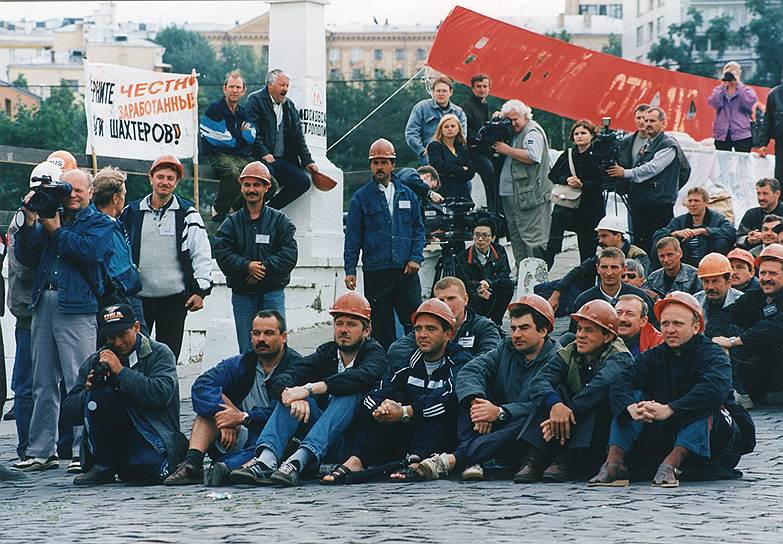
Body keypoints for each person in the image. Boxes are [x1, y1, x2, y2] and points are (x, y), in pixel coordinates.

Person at [588, 292, 754, 488]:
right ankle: (614, 463)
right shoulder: (655, 355)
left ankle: (671, 465)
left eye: (678, 324)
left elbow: (714, 389)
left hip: (717, 437)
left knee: (707, 403)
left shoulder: (713, 354)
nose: (670, 330)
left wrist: (670, 409)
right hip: (669, 432)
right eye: (665, 324)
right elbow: (623, 381)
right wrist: (630, 407)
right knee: (633, 398)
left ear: (696, 327)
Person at [229, 292, 388, 487]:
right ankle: (266, 460)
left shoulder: (376, 353)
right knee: (291, 397)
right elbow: (285, 376)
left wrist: (309, 389)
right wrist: (292, 395)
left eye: (351, 324)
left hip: (354, 445)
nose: (343, 330)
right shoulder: (327, 351)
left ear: (366, 330)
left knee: (347, 393)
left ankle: (297, 461)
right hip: (321, 437)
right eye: (339, 323)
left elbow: (358, 378)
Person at [13, 168, 114, 474]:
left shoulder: (99, 222)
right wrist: (31, 222)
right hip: (44, 300)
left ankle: (84, 451)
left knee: (79, 380)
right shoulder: (48, 215)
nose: (72, 195)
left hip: (79, 306)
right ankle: (41, 450)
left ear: (90, 192)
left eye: (78, 190)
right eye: (67, 190)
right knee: (42, 381)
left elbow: (89, 252)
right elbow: (26, 257)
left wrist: (56, 231)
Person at [402, 295, 558, 482]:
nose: (516, 334)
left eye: (524, 328)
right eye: (513, 328)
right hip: (490, 424)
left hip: (523, 433)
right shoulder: (506, 347)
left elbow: (539, 404)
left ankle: (456, 459)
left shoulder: (556, 358)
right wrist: (478, 402)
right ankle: (472, 460)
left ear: (543, 331)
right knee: (467, 395)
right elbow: (471, 371)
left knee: (533, 417)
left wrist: (500, 412)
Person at [320, 299, 470, 484]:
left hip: (440, 438)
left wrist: (407, 412)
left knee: (437, 412)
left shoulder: (460, 361)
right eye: (418, 329)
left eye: (431, 329)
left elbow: (450, 398)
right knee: (389, 400)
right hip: (404, 436)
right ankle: (356, 460)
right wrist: (382, 409)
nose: (422, 335)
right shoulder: (407, 361)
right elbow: (378, 391)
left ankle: (416, 462)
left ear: (448, 334)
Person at [163, 311, 302, 486]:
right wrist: (227, 417)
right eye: (257, 333)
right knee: (208, 408)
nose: (261, 339)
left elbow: (281, 412)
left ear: (283, 337)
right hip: (239, 433)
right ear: (251, 336)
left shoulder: (297, 366)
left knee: (279, 444)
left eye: (269, 333)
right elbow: (201, 385)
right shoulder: (242, 363)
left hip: (275, 436)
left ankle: (226, 469)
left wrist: (242, 418)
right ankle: (191, 464)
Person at [61, 304, 188, 485]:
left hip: (151, 432)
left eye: (123, 335)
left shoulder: (159, 353)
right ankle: (103, 465)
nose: (118, 342)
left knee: (145, 473)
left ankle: (127, 464)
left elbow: (161, 394)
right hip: (112, 436)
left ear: (136, 327)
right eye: (111, 337)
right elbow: (69, 412)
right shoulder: (98, 360)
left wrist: (121, 372)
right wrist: (88, 393)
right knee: (99, 394)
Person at [519, 300, 633, 483]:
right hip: (573, 416)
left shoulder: (620, 357)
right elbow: (540, 380)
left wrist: (565, 413)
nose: (580, 335)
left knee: (597, 399)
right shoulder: (571, 350)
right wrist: (556, 405)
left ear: (608, 337)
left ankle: (570, 459)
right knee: (553, 392)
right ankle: (536, 457)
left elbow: (599, 387)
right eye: (579, 329)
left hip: (598, 431)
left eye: (589, 331)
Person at [121, 154, 213, 362]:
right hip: (138, 298)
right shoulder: (132, 212)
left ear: (176, 182)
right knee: (136, 356)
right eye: (160, 176)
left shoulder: (187, 213)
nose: (165, 182)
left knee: (169, 358)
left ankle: (169, 395)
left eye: (170, 178)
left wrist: (200, 291)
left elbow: (201, 253)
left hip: (174, 299)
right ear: (150, 178)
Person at [344, 139, 425, 350]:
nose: (379, 167)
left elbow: (419, 230)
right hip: (376, 272)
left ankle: (416, 367)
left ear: (393, 164)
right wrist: (350, 269)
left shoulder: (409, 195)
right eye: (375, 162)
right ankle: (384, 374)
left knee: (415, 324)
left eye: (384, 162)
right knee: (381, 328)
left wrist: (416, 258)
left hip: (406, 272)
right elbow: (353, 237)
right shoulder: (360, 198)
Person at [214, 161, 297, 353]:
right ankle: (250, 384)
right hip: (243, 295)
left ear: (267, 187)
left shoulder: (280, 221)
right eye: (247, 184)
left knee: (277, 348)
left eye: (257, 184)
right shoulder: (231, 223)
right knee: (247, 349)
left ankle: (278, 384)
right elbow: (222, 252)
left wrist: (261, 268)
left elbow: (290, 254)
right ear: (241, 186)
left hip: (272, 293)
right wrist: (245, 266)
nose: (252, 189)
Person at [608, 107, 684, 254]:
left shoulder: (668, 145)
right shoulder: (647, 144)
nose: (647, 123)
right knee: (640, 244)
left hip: (658, 206)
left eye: (652, 121)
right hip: (641, 205)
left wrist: (625, 173)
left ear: (663, 123)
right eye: (645, 120)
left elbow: (652, 168)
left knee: (660, 246)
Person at [543, 215, 650, 316]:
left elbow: (642, 282)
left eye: (604, 236)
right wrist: (556, 293)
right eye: (599, 237)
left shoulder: (638, 255)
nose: (600, 241)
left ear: (618, 236)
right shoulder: (602, 256)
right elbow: (578, 271)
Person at [716, 244, 783, 404]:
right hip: (765, 366)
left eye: (773, 273)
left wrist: (733, 341)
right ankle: (739, 391)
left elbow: (775, 326)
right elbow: (724, 314)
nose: (766, 278)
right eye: (763, 273)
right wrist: (716, 337)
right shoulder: (755, 296)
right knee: (729, 327)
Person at [246, 69, 318, 210]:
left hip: (281, 159)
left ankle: (269, 210)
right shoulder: (255, 100)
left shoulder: (289, 105)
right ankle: (247, 213)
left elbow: (298, 137)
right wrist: (263, 153)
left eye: (287, 86)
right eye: (282, 85)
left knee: (303, 182)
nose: (285, 89)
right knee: (265, 181)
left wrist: (307, 161)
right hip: (259, 159)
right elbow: (252, 131)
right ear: (270, 85)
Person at [388, 277, 501, 363]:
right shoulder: (428, 326)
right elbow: (397, 350)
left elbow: (491, 356)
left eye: (451, 298)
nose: (446, 304)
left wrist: (452, 365)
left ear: (465, 299)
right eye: (441, 300)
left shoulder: (484, 326)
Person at [494, 99, 552, 264]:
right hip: (512, 193)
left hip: (529, 196)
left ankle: (536, 279)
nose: (513, 123)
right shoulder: (512, 131)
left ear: (526, 116)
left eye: (516, 119)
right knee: (516, 238)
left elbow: (533, 156)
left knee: (533, 239)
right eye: (509, 120)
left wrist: (508, 150)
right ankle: (522, 278)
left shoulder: (532, 132)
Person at [91, 167, 147, 334]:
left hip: (121, 294)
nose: (125, 200)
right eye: (124, 195)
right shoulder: (103, 226)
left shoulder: (112, 221)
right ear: (115, 198)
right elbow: (114, 268)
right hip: (121, 296)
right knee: (140, 345)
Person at [545, 119, 604, 267]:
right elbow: (553, 175)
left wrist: (583, 184)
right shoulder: (569, 154)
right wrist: (567, 179)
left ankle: (586, 281)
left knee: (587, 251)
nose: (579, 136)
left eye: (583, 133)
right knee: (557, 219)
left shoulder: (597, 155)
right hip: (570, 206)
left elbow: (602, 181)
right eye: (576, 133)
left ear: (591, 135)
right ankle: (550, 256)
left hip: (590, 208)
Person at [200, 70, 257, 222]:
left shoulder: (243, 112)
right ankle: (219, 210)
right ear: (224, 89)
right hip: (216, 154)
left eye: (238, 87)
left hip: (240, 156)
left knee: (269, 182)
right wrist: (239, 135)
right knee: (232, 174)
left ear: (244, 91)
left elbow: (252, 136)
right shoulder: (214, 109)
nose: (234, 90)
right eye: (231, 86)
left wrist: (232, 136)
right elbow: (218, 138)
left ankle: (234, 208)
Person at [569, 248, 655, 333]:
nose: (609, 273)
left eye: (614, 267)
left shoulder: (640, 297)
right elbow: (574, 333)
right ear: (597, 268)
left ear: (624, 269)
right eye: (604, 267)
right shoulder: (584, 300)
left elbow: (654, 329)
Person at [652, 186, 736, 267]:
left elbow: (732, 232)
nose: (692, 204)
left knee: (722, 242)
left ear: (706, 203)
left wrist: (704, 231)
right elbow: (657, 235)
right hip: (683, 262)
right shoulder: (680, 221)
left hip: (709, 262)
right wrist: (676, 233)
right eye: (690, 201)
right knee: (658, 245)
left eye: (696, 201)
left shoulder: (717, 218)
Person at [456, 219, 515, 326]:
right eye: (477, 235)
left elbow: (505, 273)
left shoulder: (499, 250)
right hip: (475, 294)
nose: (480, 239)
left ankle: (496, 323)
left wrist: (488, 282)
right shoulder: (463, 256)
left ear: (492, 238)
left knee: (508, 285)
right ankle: (475, 323)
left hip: (493, 291)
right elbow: (464, 280)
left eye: (485, 235)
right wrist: (478, 288)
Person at [405, 76, 468, 165]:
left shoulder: (458, 112)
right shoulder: (421, 108)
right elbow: (411, 133)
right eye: (438, 91)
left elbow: (462, 136)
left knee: (465, 177)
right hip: (430, 155)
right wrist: (422, 151)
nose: (441, 94)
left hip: (453, 155)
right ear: (433, 92)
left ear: (451, 92)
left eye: (444, 91)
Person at [459, 73, 499, 211]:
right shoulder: (466, 106)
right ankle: (492, 211)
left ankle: (494, 211)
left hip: (484, 150)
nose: (482, 89)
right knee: (491, 177)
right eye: (479, 87)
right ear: (472, 88)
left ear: (489, 88)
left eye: (485, 86)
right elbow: (467, 131)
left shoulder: (484, 105)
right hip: (473, 152)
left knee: (494, 178)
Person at [708, 61, 758, 153]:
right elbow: (714, 102)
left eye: (734, 71)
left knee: (743, 163)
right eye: (729, 71)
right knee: (723, 164)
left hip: (742, 133)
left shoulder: (747, 90)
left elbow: (748, 103)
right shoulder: (720, 90)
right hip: (722, 134)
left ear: (739, 73)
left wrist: (738, 83)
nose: (731, 74)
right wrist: (723, 84)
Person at [425, 113, 475, 201]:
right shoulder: (434, 146)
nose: (450, 129)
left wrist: (451, 171)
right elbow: (439, 167)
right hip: (443, 191)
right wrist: (462, 169)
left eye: (453, 126)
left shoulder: (462, 147)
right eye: (446, 127)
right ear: (441, 129)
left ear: (459, 128)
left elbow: (471, 171)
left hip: (462, 191)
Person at [736, 178, 783, 249]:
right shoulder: (751, 214)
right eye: (758, 193)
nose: (761, 198)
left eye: (765, 193)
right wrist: (748, 239)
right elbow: (738, 239)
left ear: (777, 194)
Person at [759, 82, 782, 182]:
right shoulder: (774, 94)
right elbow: (767, 119)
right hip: (781, 143)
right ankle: (780, 197)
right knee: (781, 177)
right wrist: (763, 143)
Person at [617, 103, 651, 169]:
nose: (641, 121)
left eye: (644, 118)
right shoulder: (625, 142)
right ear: (634, 119)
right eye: (638, 118)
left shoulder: (659, 141)